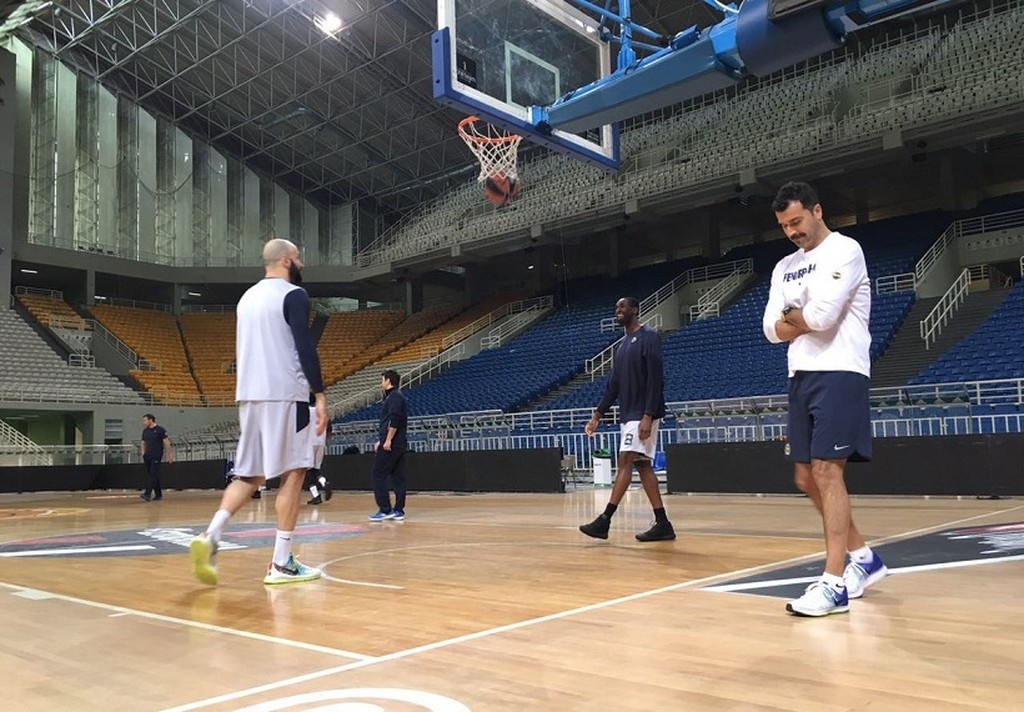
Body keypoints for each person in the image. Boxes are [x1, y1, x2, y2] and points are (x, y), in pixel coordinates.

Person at [762, 181, 887, 617]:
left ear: (817, 211)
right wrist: (797, 319)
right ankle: (865, 559)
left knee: (827, 471)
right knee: (806, 478)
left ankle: (834, 584)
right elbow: (770, 330)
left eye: (797, 221)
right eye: (784, 226)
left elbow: (823, 317)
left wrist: (792, 316)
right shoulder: (784, 267)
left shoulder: (845, 250)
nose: (792, 231)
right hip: (800, 374)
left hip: (841, 370)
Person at [189, 238, 328, 586]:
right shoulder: (293, 295)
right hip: (285, 394)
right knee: (295, 472)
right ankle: (281, 563)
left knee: (248, 475)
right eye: (298, 258)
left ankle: (211, 535)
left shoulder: (247, 298)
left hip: (249, 395)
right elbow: (305, 347)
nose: (302, 264)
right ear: (286, 261)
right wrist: (320, 394)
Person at [579, 297, 675, 542]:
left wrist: (648, 415)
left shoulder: (648, 337)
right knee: (642, 465)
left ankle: (604, 520)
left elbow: (656, 378)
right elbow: (613, 385)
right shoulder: (621, 347)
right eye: (616, 307)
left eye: (622, 306)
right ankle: (663, 523)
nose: (618, 310)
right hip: (628, 414)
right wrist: (597, 416)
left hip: (643, 413)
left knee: (625, 461)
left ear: (635, 309)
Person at [369, 369, 408, 521]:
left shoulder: (394, 397)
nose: (381, 383)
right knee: (398, 477)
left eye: (382, 380)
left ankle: (385, 509)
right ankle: (398, 510)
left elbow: (395, 419)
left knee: (378, 474)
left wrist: (388, 440)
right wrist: (382, 439)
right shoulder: (397, 396)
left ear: (388, 381)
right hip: (399, 443)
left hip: (392, 444)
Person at [139, 414, 173, 501]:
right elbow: (143, 442)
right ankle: (158, 495)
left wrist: (169, 455)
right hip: (147, 456)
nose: (144, 422)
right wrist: (143, 453)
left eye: (145, 420)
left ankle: (147, 493)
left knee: (153, 474)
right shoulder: (145, 431)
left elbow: (167, 443)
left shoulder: (160, 430)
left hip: (156, 455)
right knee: (153, 475)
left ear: (150, 420)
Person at [306, 398, 333, 505]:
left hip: (309, 443)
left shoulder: (306, 411)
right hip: (321, 442)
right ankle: (324, 482)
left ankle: (316, 496)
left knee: (309, 471)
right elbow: (329, 428)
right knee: (316, 469)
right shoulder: (322, 411)